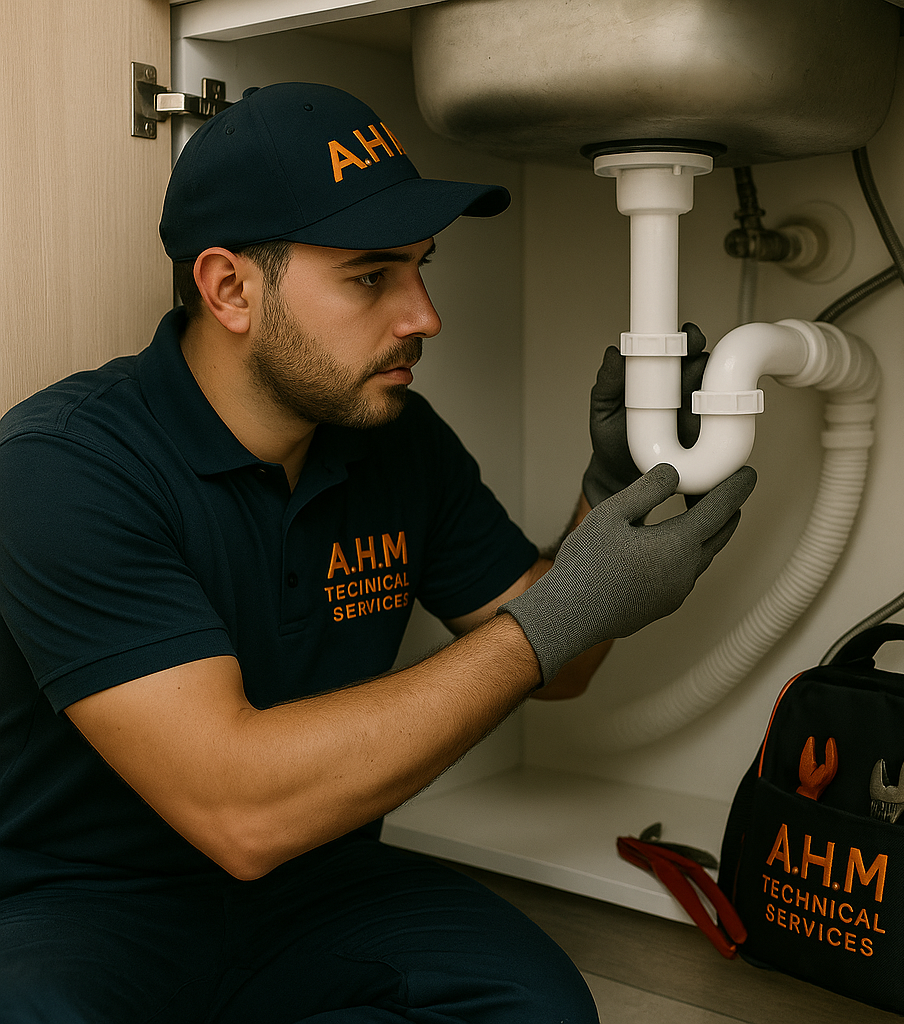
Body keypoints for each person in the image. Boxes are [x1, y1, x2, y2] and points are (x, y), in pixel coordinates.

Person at [0, 83, 755, 1023]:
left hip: (320, 884)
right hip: (83, 901)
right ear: (228, 287)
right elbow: (239, 814)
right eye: (371, 276)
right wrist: (563, 610)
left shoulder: (396, 438)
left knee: (537, 1008)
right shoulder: (60, 468)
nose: (425, 316)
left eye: (421, 268)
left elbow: (558, 664)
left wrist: (606, 501)